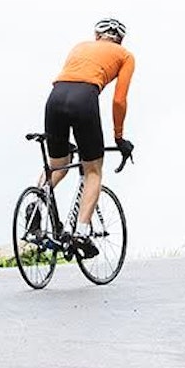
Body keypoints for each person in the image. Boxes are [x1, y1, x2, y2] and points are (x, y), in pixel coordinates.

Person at [40, 17, 135, 255]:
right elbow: (119, 100)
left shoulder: (80, 47)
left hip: (55, 98)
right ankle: (81, 232)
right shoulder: (125, 55)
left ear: (96, 36)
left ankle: (37, 204)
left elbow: (71, 79)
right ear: (120, 40)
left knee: (58, 167)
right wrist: (119, 137)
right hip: (85, 99)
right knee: (93, 171)